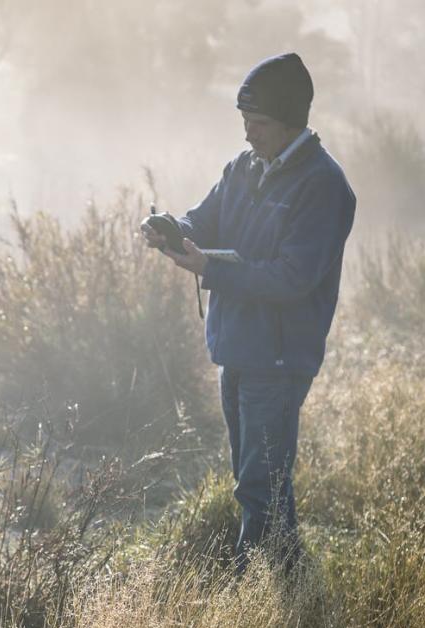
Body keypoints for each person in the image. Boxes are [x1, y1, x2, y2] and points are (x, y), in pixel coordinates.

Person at [141, 52, 355, 576]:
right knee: (262, 482)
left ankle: (245, 597)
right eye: (244, 123)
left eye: (257, 124)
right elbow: (206, 219)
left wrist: (210, 272)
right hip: (235, 349)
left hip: (279, 362)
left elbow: (291, 278)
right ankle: (292, 583)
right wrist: (175, 226)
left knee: (258, 487)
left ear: (291, 122)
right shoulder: (243, 167)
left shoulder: (325, 188)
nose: (248, 135)